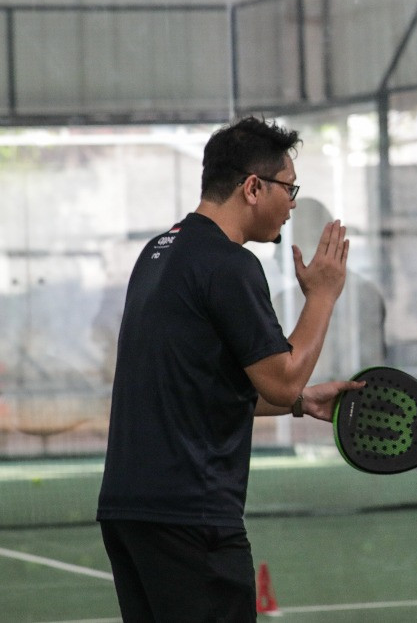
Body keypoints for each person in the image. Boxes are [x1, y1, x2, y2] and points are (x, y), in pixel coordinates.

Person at [97, 116, 365, 621]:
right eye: (288, 188)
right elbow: (283, 379)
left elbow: (194, 383)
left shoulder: (157, 253)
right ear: (253, 188)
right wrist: (323, 295)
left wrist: (300, 403)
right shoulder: (230, 264)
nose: (292, 203)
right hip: (191, 514)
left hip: (128, 510)